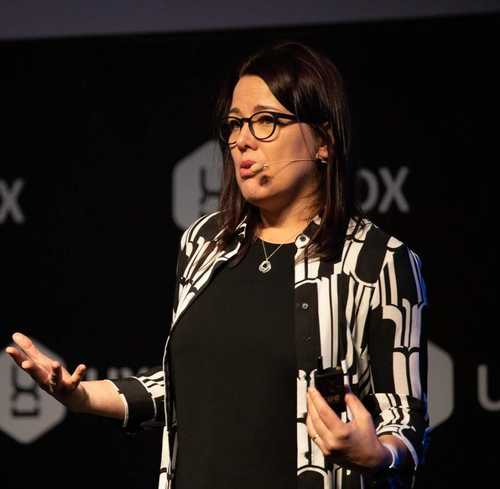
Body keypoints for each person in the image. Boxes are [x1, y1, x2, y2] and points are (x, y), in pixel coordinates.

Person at [6, 41, 429, 489]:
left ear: (323, 140)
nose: (241, 140)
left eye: (266, 121)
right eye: (234, 124)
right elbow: (189, 389)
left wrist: (379, 454)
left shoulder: (380, 260)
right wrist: (80, 395)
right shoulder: (205, 243)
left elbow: (405, 423)